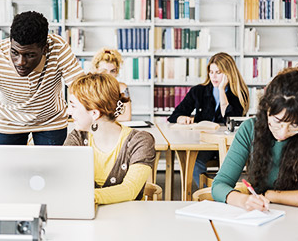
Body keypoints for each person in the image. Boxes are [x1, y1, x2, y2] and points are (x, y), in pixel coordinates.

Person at [212, 61, 298, 210]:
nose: (283, 133)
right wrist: (244, 200)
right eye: (277, 121)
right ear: (266, 109)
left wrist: (271, 195)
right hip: (263, 216)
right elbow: (219, 185)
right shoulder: (250, 129)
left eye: (295, 125)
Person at [0, 11, 84, 145]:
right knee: (7, 167)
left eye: (30, 55)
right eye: (14, 52)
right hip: (8, 121)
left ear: (44, 49)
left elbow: (84, 92)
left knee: (53, 167)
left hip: (50, 119)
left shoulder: (58, 48)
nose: (20, 62)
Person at [64, 73, 155, 204]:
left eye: (73, 106)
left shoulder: (140, 141)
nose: (68, 112)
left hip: (129, 219)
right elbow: (65, 180)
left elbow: (130, 189)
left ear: (94, 113)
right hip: (86, 218)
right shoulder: (77, 137)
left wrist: (89, 197)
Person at [167, 52, 249, 187]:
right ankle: (210, 193)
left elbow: (231, 121)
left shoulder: (239, 93)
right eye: (211, 72)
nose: (214, 76)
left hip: (229, 144)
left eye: (218, 72)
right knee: (195, 163)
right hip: (204, 143)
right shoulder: (199, 91)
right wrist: (182, 118)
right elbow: (175, 114)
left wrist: (222, 90)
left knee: (230, 168)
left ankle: (221, 192)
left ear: (229, 73)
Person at [91, 48, 132, 121]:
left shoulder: (122, 88)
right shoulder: (90, 88)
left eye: (112, 71)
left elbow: (127, 117)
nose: (109, 75)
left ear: (117, 72)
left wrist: (102, 118)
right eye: (104, 71)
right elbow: (89, 117)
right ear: (96, 70)